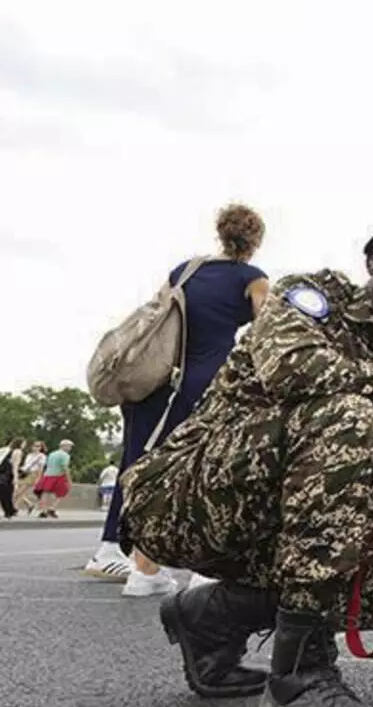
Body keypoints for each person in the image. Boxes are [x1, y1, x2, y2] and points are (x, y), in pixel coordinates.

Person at [119, 211, 373, 705]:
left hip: (282, 516)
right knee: (347, 415)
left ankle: (213, 615)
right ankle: (299, 670)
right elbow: (290, 365)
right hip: (184, 498)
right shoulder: (310, 297)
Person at [84, 203, 271, 595]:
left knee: (140, 464)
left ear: (221, 233)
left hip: (158, 377)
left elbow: (160, 313)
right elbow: (269, 329)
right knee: (206, 468)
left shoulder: (186, 269)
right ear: (254, 241)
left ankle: (134, 562)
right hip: (210, 379)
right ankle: (203, 569)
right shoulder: (253, 278)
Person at [33, 440, 74, 517]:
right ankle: (52, 508)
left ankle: (43, 511)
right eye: (69, 446)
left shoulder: (52, 454)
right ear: (63, 446)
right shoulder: (65, 455)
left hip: (47, 474)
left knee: (45, 492)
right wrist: (69, 479)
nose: (70, 448)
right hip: (58, 475)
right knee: (61, 492)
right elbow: (65, 467)